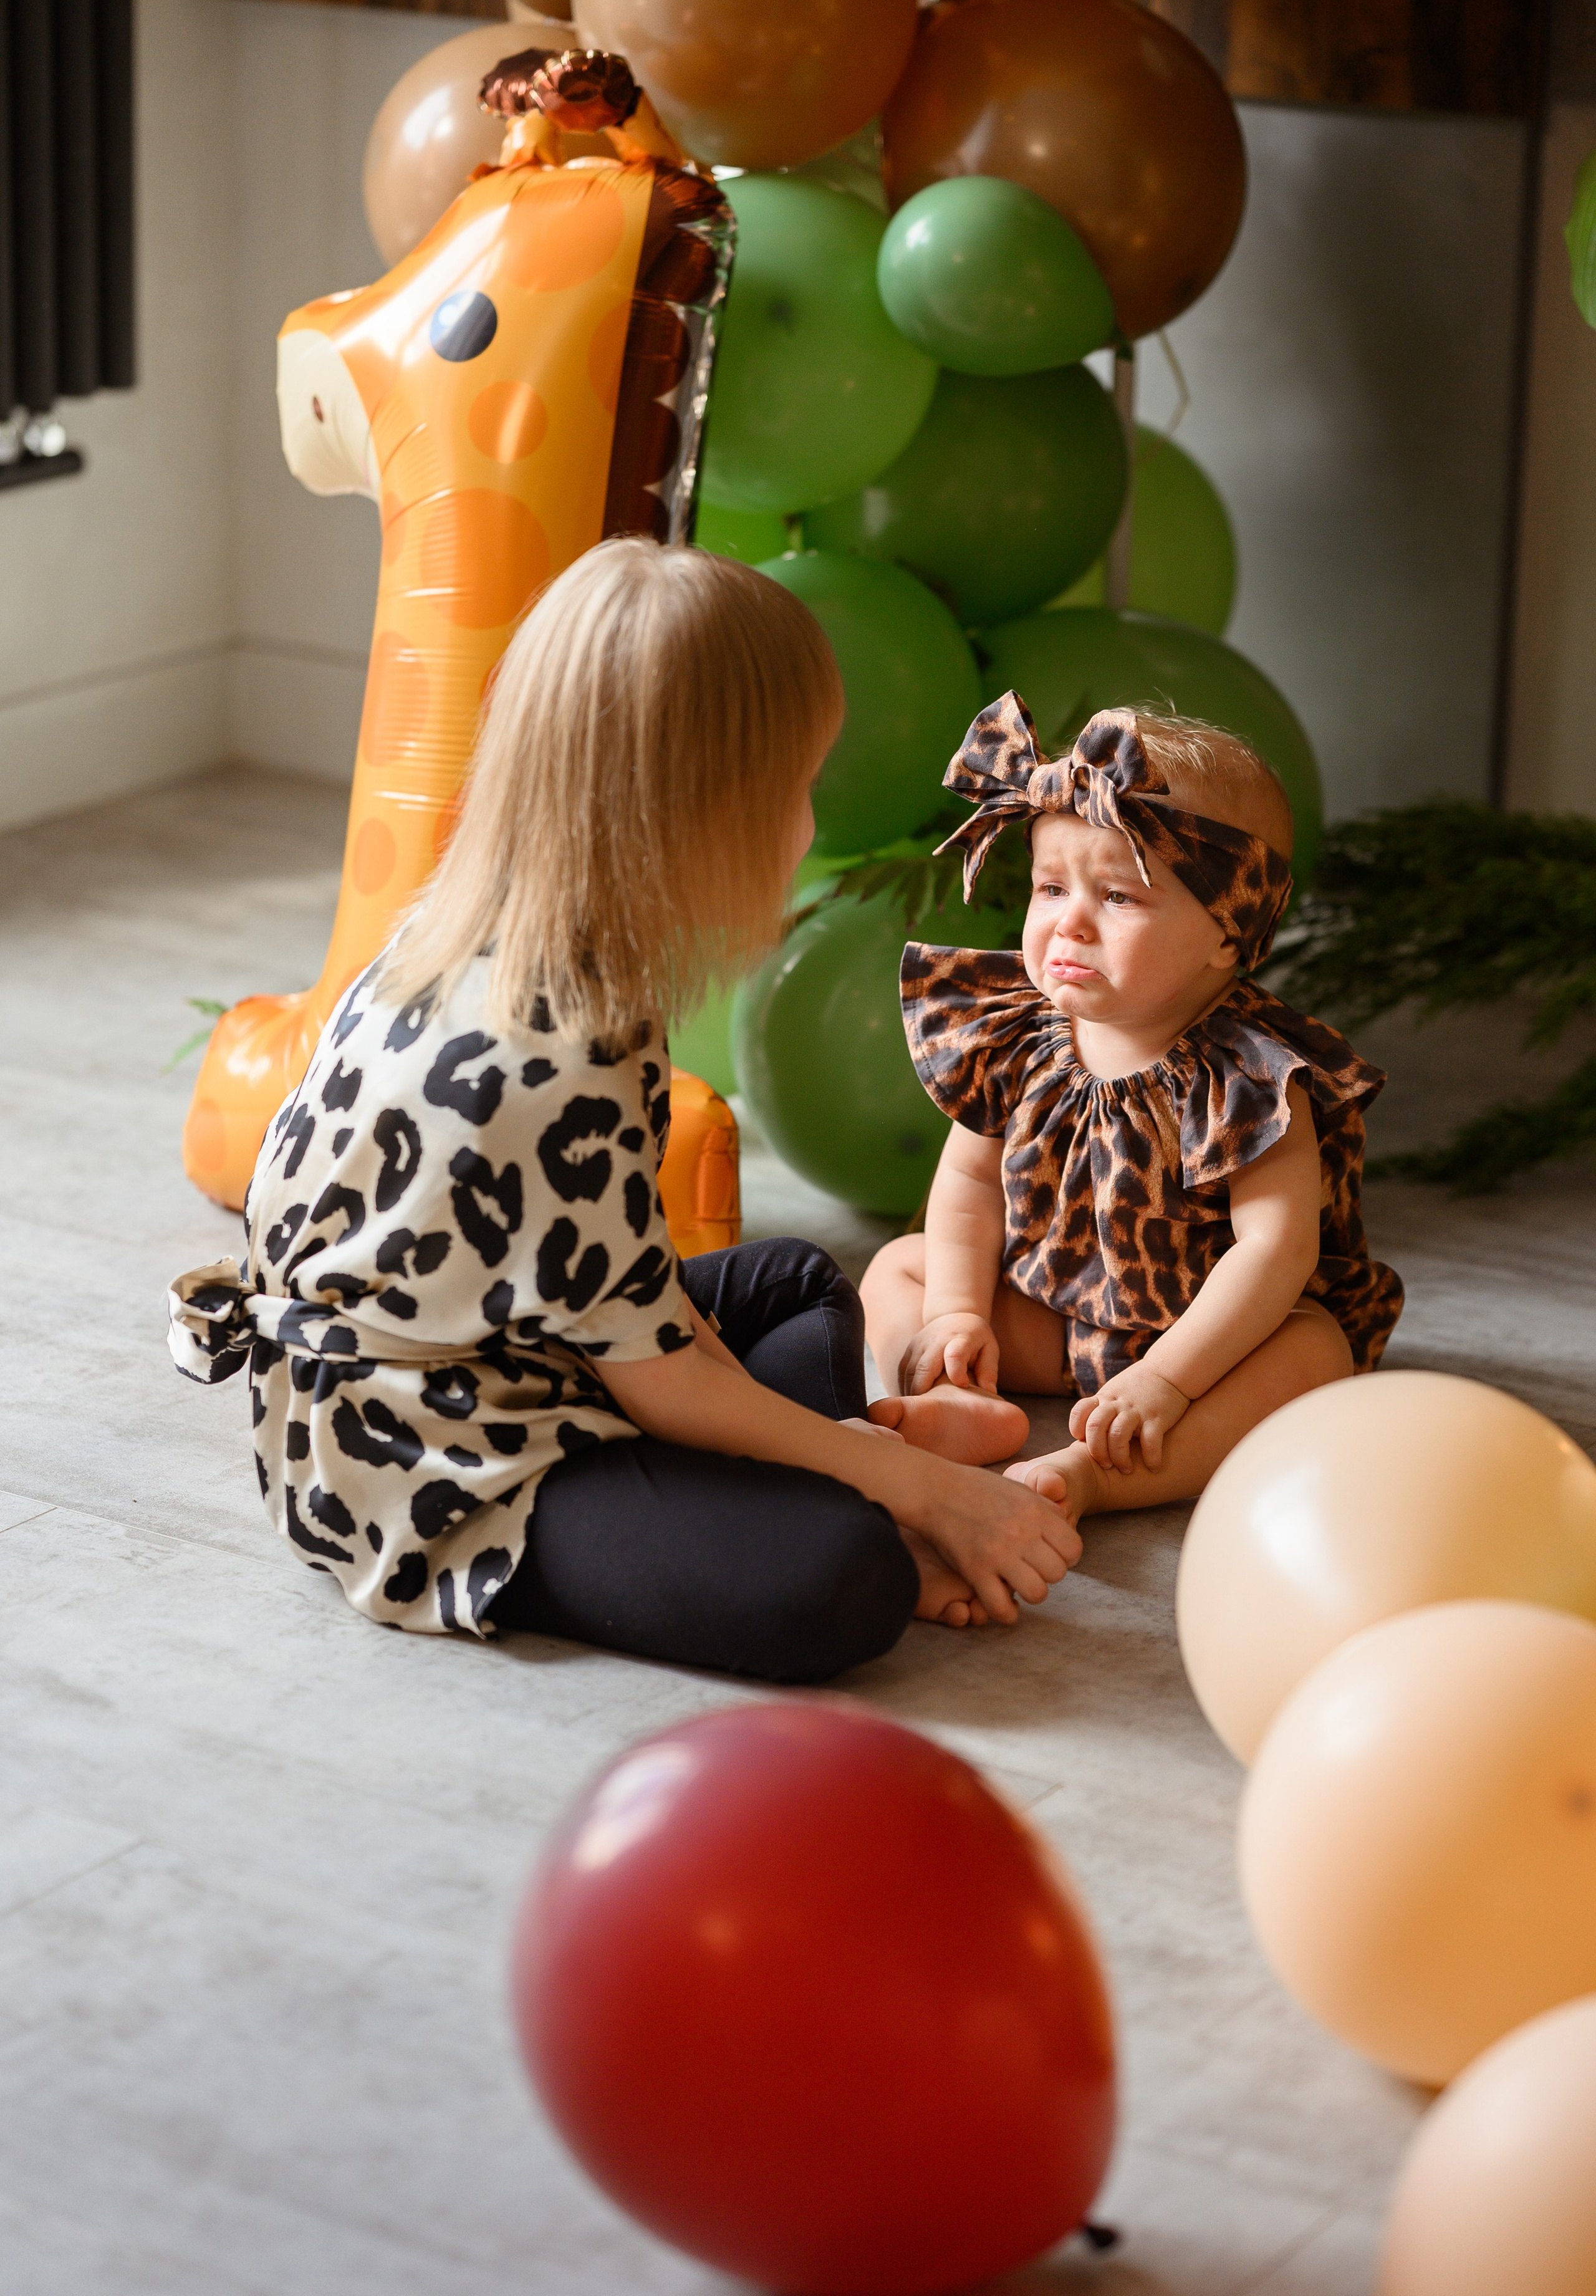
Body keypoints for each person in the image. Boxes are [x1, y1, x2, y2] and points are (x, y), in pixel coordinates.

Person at [167, 543, 1080, 1681]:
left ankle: (815, 1462)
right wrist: (914, 1486)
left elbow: (631, 1299)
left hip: (498, 1350)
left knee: (794, 1278)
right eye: (797, 786)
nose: (807, 819)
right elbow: (667, 1373)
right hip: (431, 1455)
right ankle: (841, 1475)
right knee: (848, 1581)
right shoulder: (559, 1054)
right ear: (707, 812)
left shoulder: (473, 929)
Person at [862, 693, 1403, 1533]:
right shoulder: (1017, 1035)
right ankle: (959, 1397)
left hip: (1205, 1337)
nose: (1068, 923)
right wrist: (960, 1313)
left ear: (1229, 933)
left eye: (1118, 898)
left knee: (1314, 1354)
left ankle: (1100, 1476)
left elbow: (1276, 1250)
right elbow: (969, 1185)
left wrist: (1169, 1378)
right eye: (1050, 887)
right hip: (1048, 1315)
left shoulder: (1249, 1076)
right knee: (901, 1266)